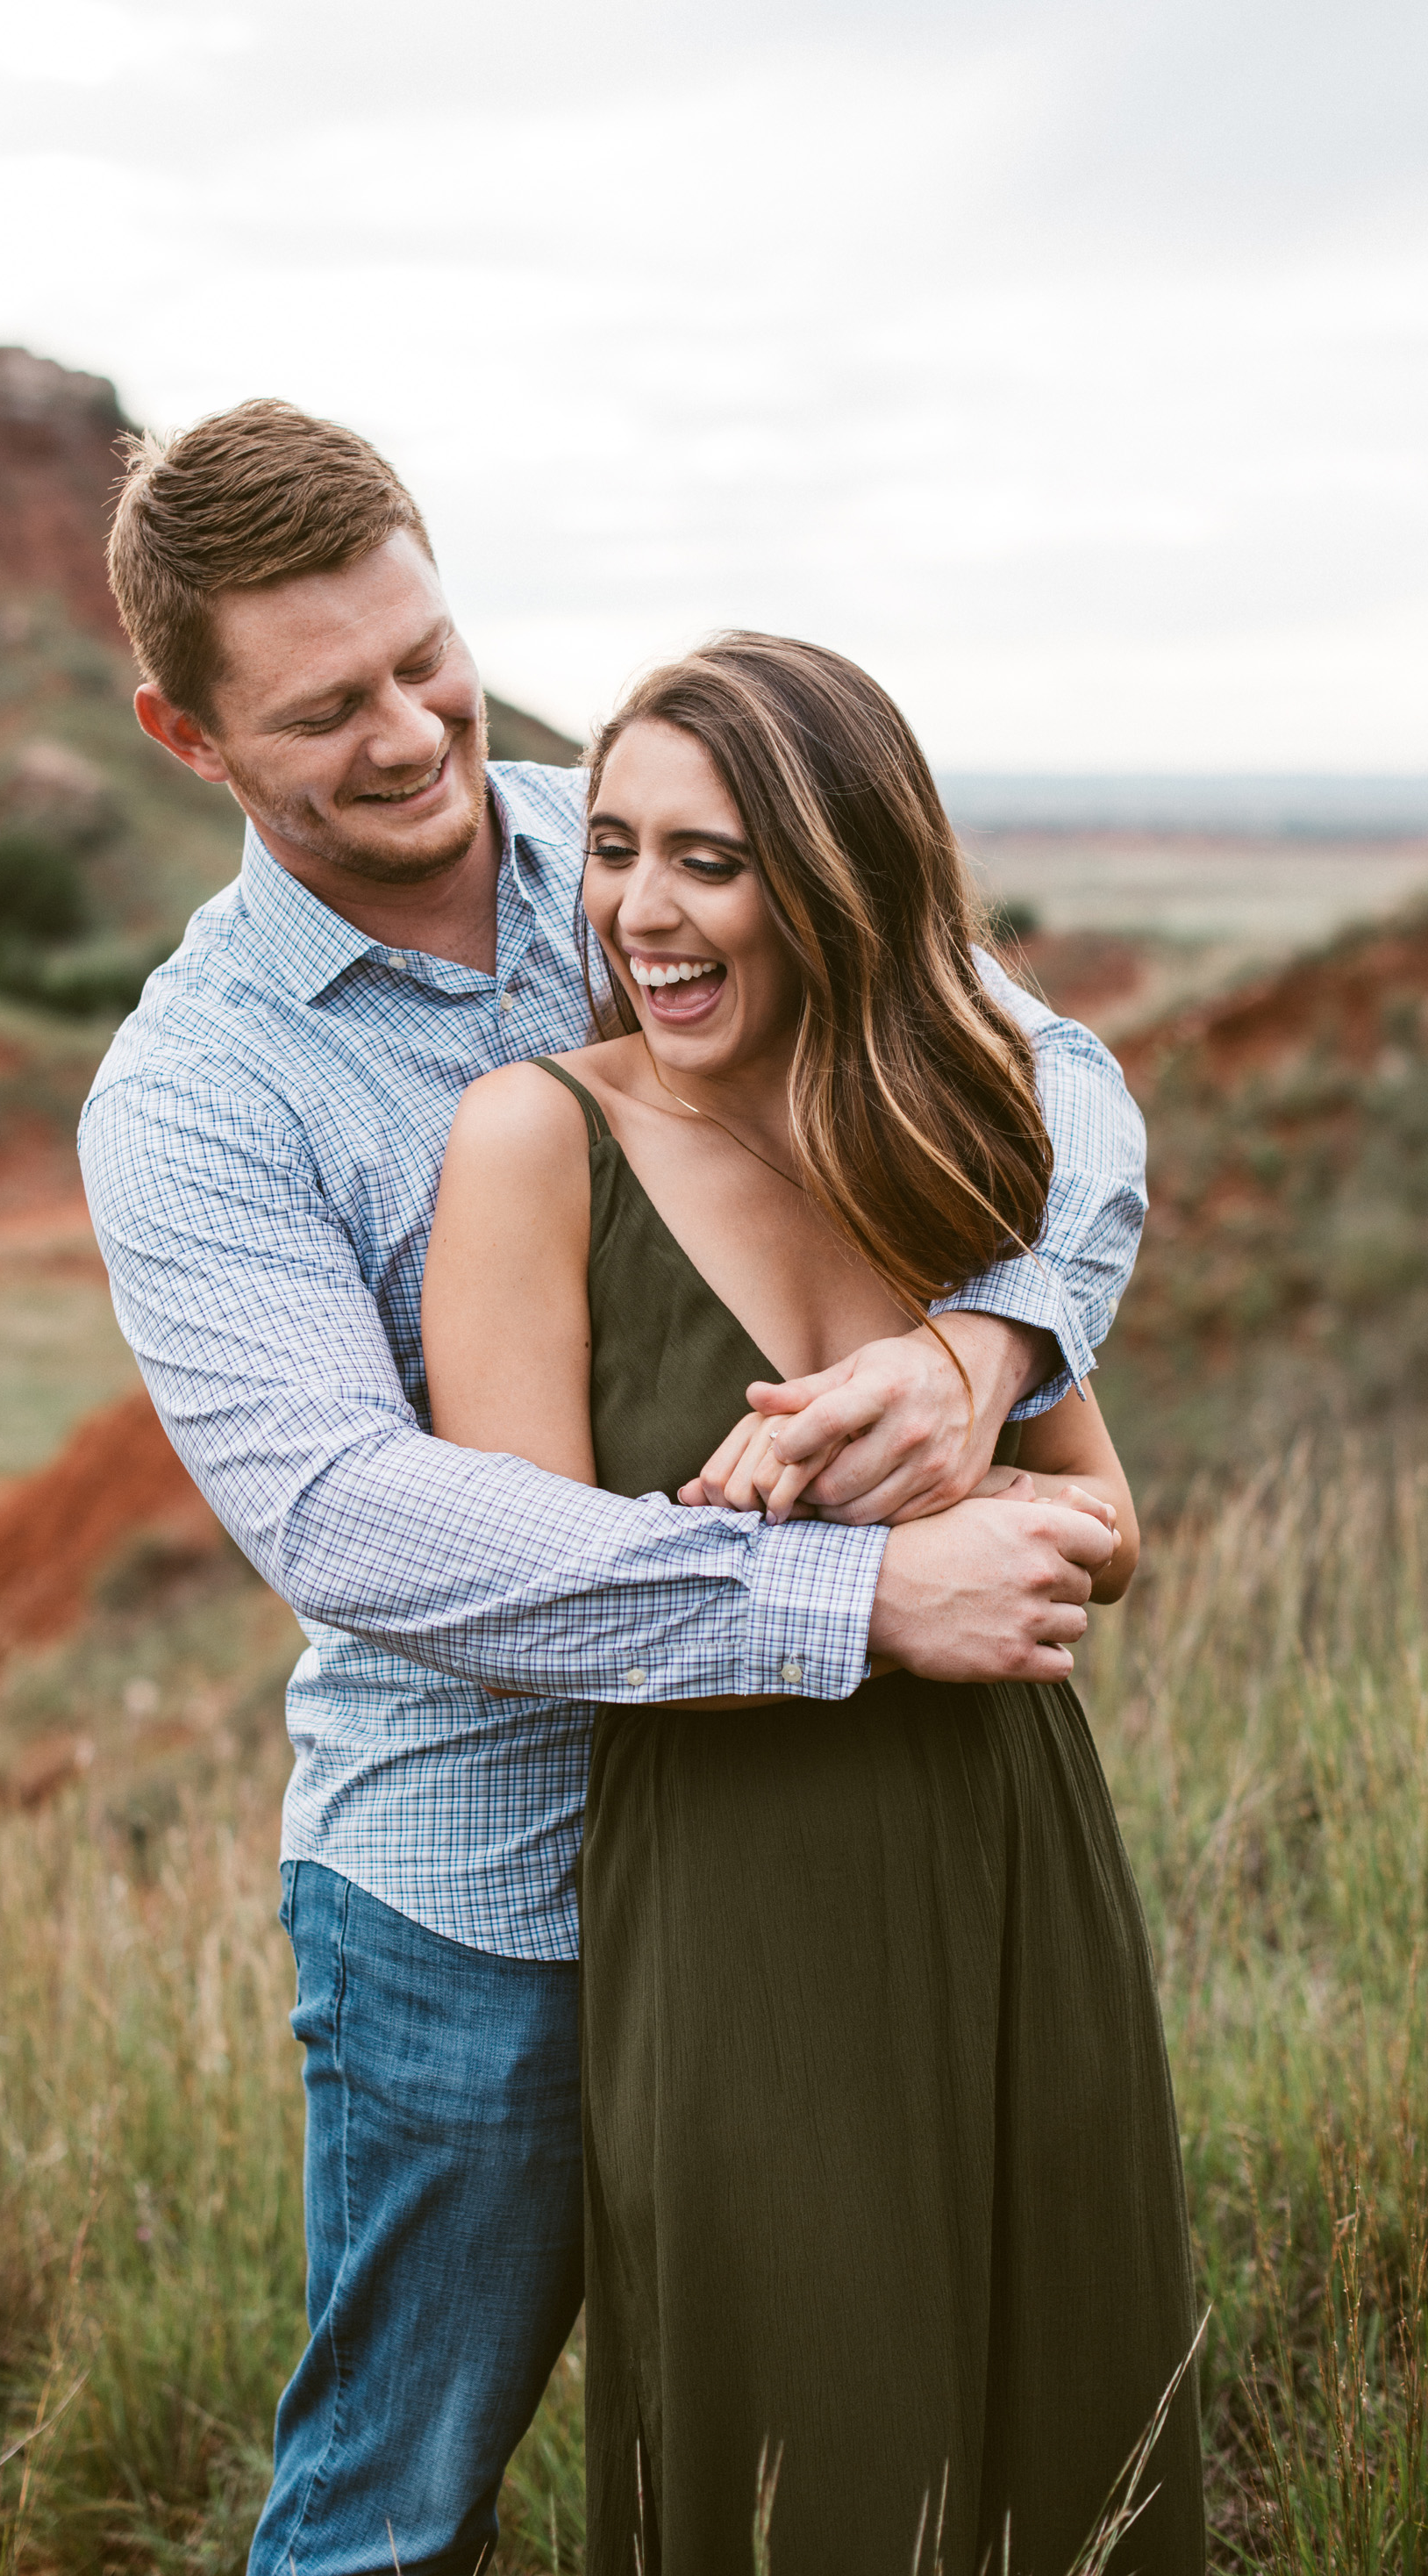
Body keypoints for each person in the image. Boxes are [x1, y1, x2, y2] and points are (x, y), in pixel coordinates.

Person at [79, 398, 1149, 2576]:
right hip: (474, 1895)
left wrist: (985, 1344)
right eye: (325, 707)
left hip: (805, 1863)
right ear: (183, 735)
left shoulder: (646, 832)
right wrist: (852, 1605)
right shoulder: (193, 1096)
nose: (410, 734)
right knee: (398, 2506)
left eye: (426, 657)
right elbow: (353, 1524)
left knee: (871, 2436)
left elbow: (1057, 1076)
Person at [422, 635, 1203, 2576]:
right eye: (612, 848)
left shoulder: (933, 1127)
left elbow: (1104, 1515)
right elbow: (530, 1605)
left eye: (710, 858)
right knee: (818, 2457)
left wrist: (984, 1485)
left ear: (831, 875)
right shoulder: (532, 1137)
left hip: (1019, 1858)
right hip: (738, 1886)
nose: (640, 911)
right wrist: (866, 1584)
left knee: (1063, 2419)